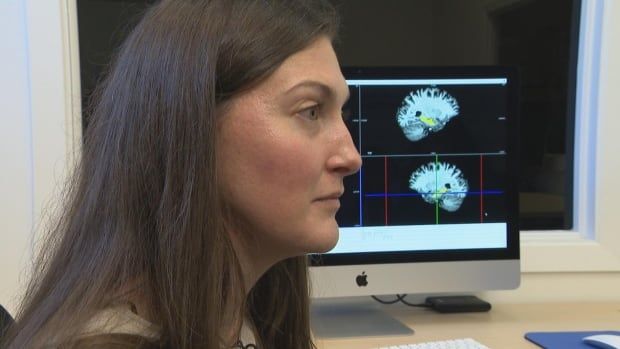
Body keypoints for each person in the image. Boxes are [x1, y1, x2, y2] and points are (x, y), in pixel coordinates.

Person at [1, 0, 361, 348]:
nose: (351, 157)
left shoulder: (246, 321)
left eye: (339, 114)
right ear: (194, 125)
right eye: (311, 111)